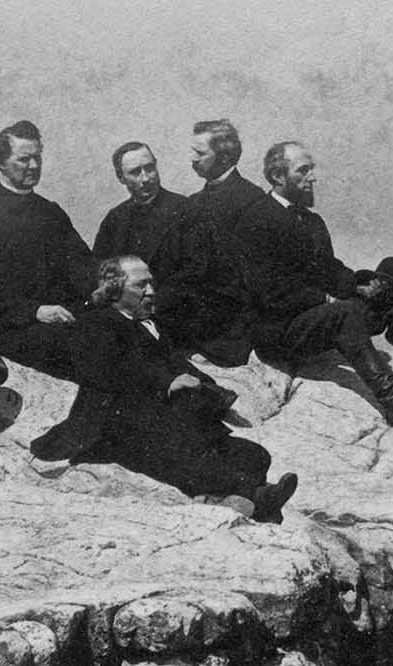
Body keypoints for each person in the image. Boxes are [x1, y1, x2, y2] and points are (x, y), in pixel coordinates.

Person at [235, 140, 393, 429]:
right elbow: (264, 290)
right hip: (280, 330)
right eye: (303, 170)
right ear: (277, 177)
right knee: (344, 314)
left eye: (311, 169)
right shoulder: (256, 219)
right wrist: (327, 300)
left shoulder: (312, 222)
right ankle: (391, 399)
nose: (312, 177)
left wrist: (360, 285)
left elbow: (329, 269)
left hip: (316, 320)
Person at [32, 255, 298, 522]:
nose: (151, 291)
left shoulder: (152, 326)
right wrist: (166, 382)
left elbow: (182, 366)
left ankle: (229, 501)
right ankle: (258, 500)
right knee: (200, 464)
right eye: (141, 285)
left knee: (254, 455)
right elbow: (108, 371)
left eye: (151, 284)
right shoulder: (97, 323)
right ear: (114, 290)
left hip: (164, 423)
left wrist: (216, 394)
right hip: (116, 427)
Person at [0, 120, 96, 381]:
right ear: (1, 163)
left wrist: (100, 287)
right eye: (23, 159)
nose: (33, 166)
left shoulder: (51, 213)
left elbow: (81, 265)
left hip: (62, 322)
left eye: (37, 158)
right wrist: (36, 311)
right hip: (14, 331)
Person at [149, 119, 270, 365]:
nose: (192, 158)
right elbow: (169, 258)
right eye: (192, 151)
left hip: (229, 317)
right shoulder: (193, 203)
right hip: (194, 303)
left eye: (200, 153)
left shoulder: (252, 199)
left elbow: (250, 276)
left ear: (224, 158)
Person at [92, 141, 186, 266]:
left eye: (149, 168)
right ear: (121, 177)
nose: (146, 178)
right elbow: (101, 269)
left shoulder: (184, 209)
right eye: (135, 172)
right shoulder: (114, 219)